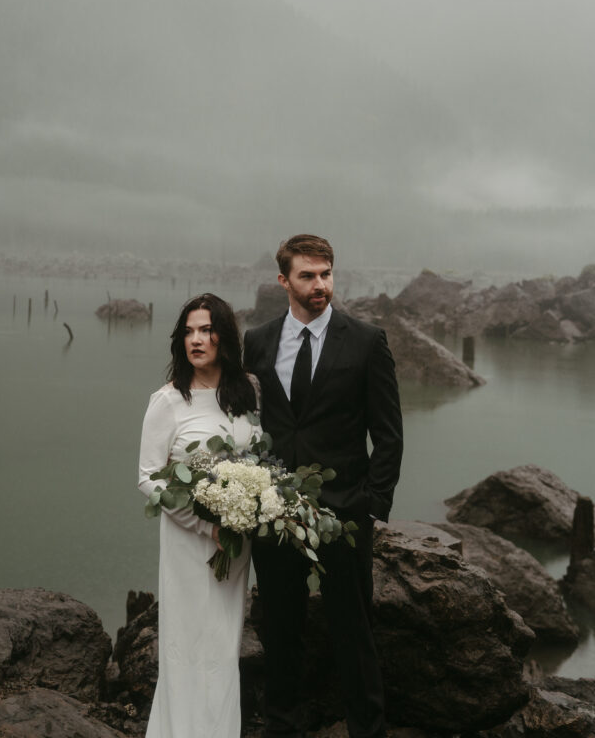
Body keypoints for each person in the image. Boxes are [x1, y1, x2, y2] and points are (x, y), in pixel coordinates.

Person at [244, 234, 403, 738]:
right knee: (280, 631)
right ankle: (282, 726)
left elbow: (389, 434)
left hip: (345, 516)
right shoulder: (258, 341)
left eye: (326, 274)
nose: (320, 285)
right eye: (308, 275)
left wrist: (372, 507)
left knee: (354, 634)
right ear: (283, 281)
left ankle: (367, 729)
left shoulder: (366, 340)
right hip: (275, 513)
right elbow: (248, 424)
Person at [138, 292, 259, 738]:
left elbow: (260, 462)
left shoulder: (248, 392)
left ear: (224, 336)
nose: (196, 339)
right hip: (191, 545)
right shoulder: (168, 401)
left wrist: (249, 506)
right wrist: (204, 522)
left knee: (223, 648)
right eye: (189, 331)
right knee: (185, 647)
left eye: (207, 330)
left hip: (236, 544)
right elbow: (149, 478)